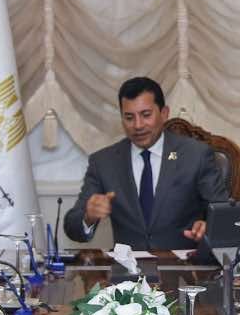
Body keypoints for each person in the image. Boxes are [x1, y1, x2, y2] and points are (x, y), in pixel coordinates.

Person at [62, 77, 230, 251]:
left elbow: (224, 216)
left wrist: (209, 227)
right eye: (129, 117)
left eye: (146, 115)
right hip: (127, 266)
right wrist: (88, 216)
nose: (138, 125)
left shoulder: (195, 155)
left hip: (183, 264)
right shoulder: (104, 162)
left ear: (164, 113)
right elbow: (72, 226)